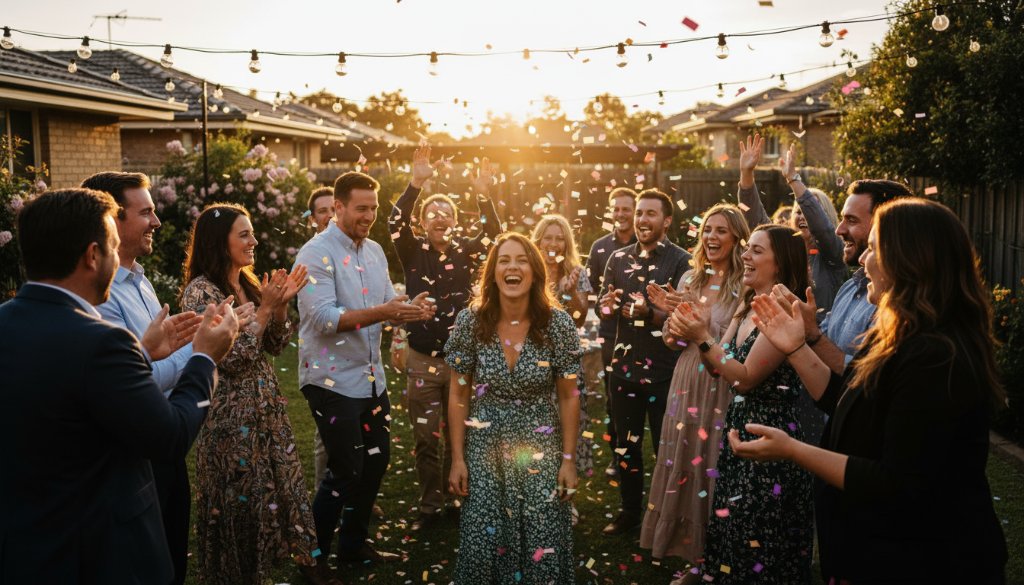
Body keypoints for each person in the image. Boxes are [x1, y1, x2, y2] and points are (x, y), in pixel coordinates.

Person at [735, 198, 1008, 584]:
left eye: (874, 248)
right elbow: (845, 399)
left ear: (910, 260)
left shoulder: (935, 356)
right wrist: (796, 346)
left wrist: (792, 450)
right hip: (874, 548)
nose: (863, 260)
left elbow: (896, 482)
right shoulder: (896, 333)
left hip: (924, 561)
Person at [0, 188, 238, 584]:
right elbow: (170, 436)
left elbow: (69, 394)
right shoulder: (102, 341)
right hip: (100, 555)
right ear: (92, 256)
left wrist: (142, 353)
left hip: (22, 551)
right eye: (112, 246)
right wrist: (204, 358)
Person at [86, 172, 241, 585]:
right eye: (146, 212)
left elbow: (161, 352)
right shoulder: (100, 296)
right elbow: (138, 380)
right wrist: (204, 350)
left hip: (166, 450)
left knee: (172, 556)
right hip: (135, 451)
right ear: (112, 222)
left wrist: (206, 331)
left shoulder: (141, 281)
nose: (156, 222)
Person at [179, 204, 338, 585]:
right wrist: (266, 308)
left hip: (266, 407)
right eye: (244, 234)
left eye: (252, 233)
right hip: (230, 416)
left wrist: (279, 307)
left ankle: (298, 567)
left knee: (283, 489)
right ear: (221, 242)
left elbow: (276, 344)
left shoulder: (247, 281)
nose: (254, 241)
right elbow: (232, 358)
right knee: (240, 501)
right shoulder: (201, 292)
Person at [296, 171, 436, 566]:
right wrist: (385, 311)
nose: (369, 216)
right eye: (361, 208)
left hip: (372, 379)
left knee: (375, 463)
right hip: (330, 379)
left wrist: (409, 308)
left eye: (373, 208)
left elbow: (386, 300)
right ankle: (314, 559)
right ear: (337, 207)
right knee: (344, 471)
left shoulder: (374, 249)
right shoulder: (314, 254)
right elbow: (325, 318)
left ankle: (353, 549)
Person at [667, 224, 814, 584]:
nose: (745, 256)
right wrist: (699, 331)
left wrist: (702, 336)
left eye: (757, 251)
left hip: (770, 435)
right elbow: (717, 368)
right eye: (748, 249)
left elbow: (745, 376)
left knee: (760, 538)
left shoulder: (783, 309)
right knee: (732, 524)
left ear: (780, 264)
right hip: (739, 430)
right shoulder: (746, 306)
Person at [445, 232, 581, 584]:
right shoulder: (471, 322)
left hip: (541, 442)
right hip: (484, 442)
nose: (512, 267)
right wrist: (458, 458)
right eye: (503, 260)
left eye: (521, 260)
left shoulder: (558, 325)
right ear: (492, 273)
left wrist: (568, 460)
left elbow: (568, 396)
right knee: (483, 533)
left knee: (542, 533)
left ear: (535, 272)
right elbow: (458, 395)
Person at [389, 145, 500, 531]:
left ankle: (458, 500)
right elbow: (394, 224)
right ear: (422, 221)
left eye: (447, 213)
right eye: (433, 213)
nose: (441, 217)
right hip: (421, 358)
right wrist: (416, 183)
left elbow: (496, 237)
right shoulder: (412, 250)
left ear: (454, 221)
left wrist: (484, 195)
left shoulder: (467, 252)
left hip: (461, 361)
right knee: (424, 439)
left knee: (460, 437)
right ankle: (430, 506)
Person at [639, 204, 750, 578]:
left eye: (721, 231)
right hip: (686, 379)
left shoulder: (742, 286)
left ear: (736, 238)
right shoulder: (691, 278)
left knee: (713, 468)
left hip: (719, 381)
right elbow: (673, 341)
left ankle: (716, 560)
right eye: (707, 230)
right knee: (684, 462)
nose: (712, 238)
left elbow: (733, 347)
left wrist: (701, 326)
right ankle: (693, 561)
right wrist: (673, 320)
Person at [736, 136, 847, 447]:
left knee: (818, 432)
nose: (800, 216)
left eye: (808, 211)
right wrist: (747, 176)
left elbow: (823, 229)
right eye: (797, 210)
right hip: (780, 357)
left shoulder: (834, 259)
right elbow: (758, 225)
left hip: (819, 356)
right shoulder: (785, 254)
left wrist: (793, 180)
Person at [598, 189, 692, 536]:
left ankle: (669, 518)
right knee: (626, 445)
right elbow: (602, 309)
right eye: (639, 213)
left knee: (668, 449)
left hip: (665, 371)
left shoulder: (682, 262)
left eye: (650, 214)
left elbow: (685, 315)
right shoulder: (618, 259)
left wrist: (651, 313)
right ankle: (629, 512)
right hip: (623, 370)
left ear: (667, 220)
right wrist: (605, 306)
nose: (642, 220)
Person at [773, 178, 914, 375]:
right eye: (842, 219)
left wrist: (811, 335)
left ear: (888, 225)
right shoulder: (850, 287)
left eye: (852, 220)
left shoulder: (904, 305)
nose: (839, 230)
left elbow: (866, 379)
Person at [532, 213, 594, 481]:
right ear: (539, 240)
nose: (553, 243)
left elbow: (579, 320)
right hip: (532, 360)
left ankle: (567, 493)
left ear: (567, 244)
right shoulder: (529, 272)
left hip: (566, 361)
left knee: (568, 426)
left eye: (559, 238)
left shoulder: (577, 273)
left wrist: (568, 294)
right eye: (548, 238)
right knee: (537, 427)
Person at [586, 187, 638, 478]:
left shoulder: (647, 245)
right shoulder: (600, 247)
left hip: (646, 336)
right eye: (615, 209)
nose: (620, 214)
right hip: (611, 336)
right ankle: (616, 459)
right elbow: (593, 292)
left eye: (626, 209)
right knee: (613, 398)